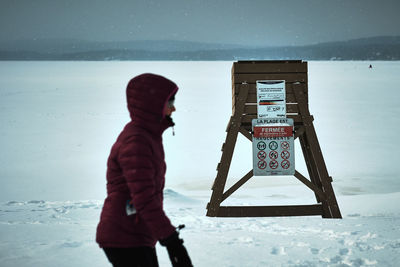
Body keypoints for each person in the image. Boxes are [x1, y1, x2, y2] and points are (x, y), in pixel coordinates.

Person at [96, 73, 193, 267]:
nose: (174, 108)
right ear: (153, 105)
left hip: (135, 233)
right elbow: (143, 198)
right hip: (124, 235)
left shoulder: (146, 135)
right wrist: (172, 240)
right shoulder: (137, 141)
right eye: (169, 102)